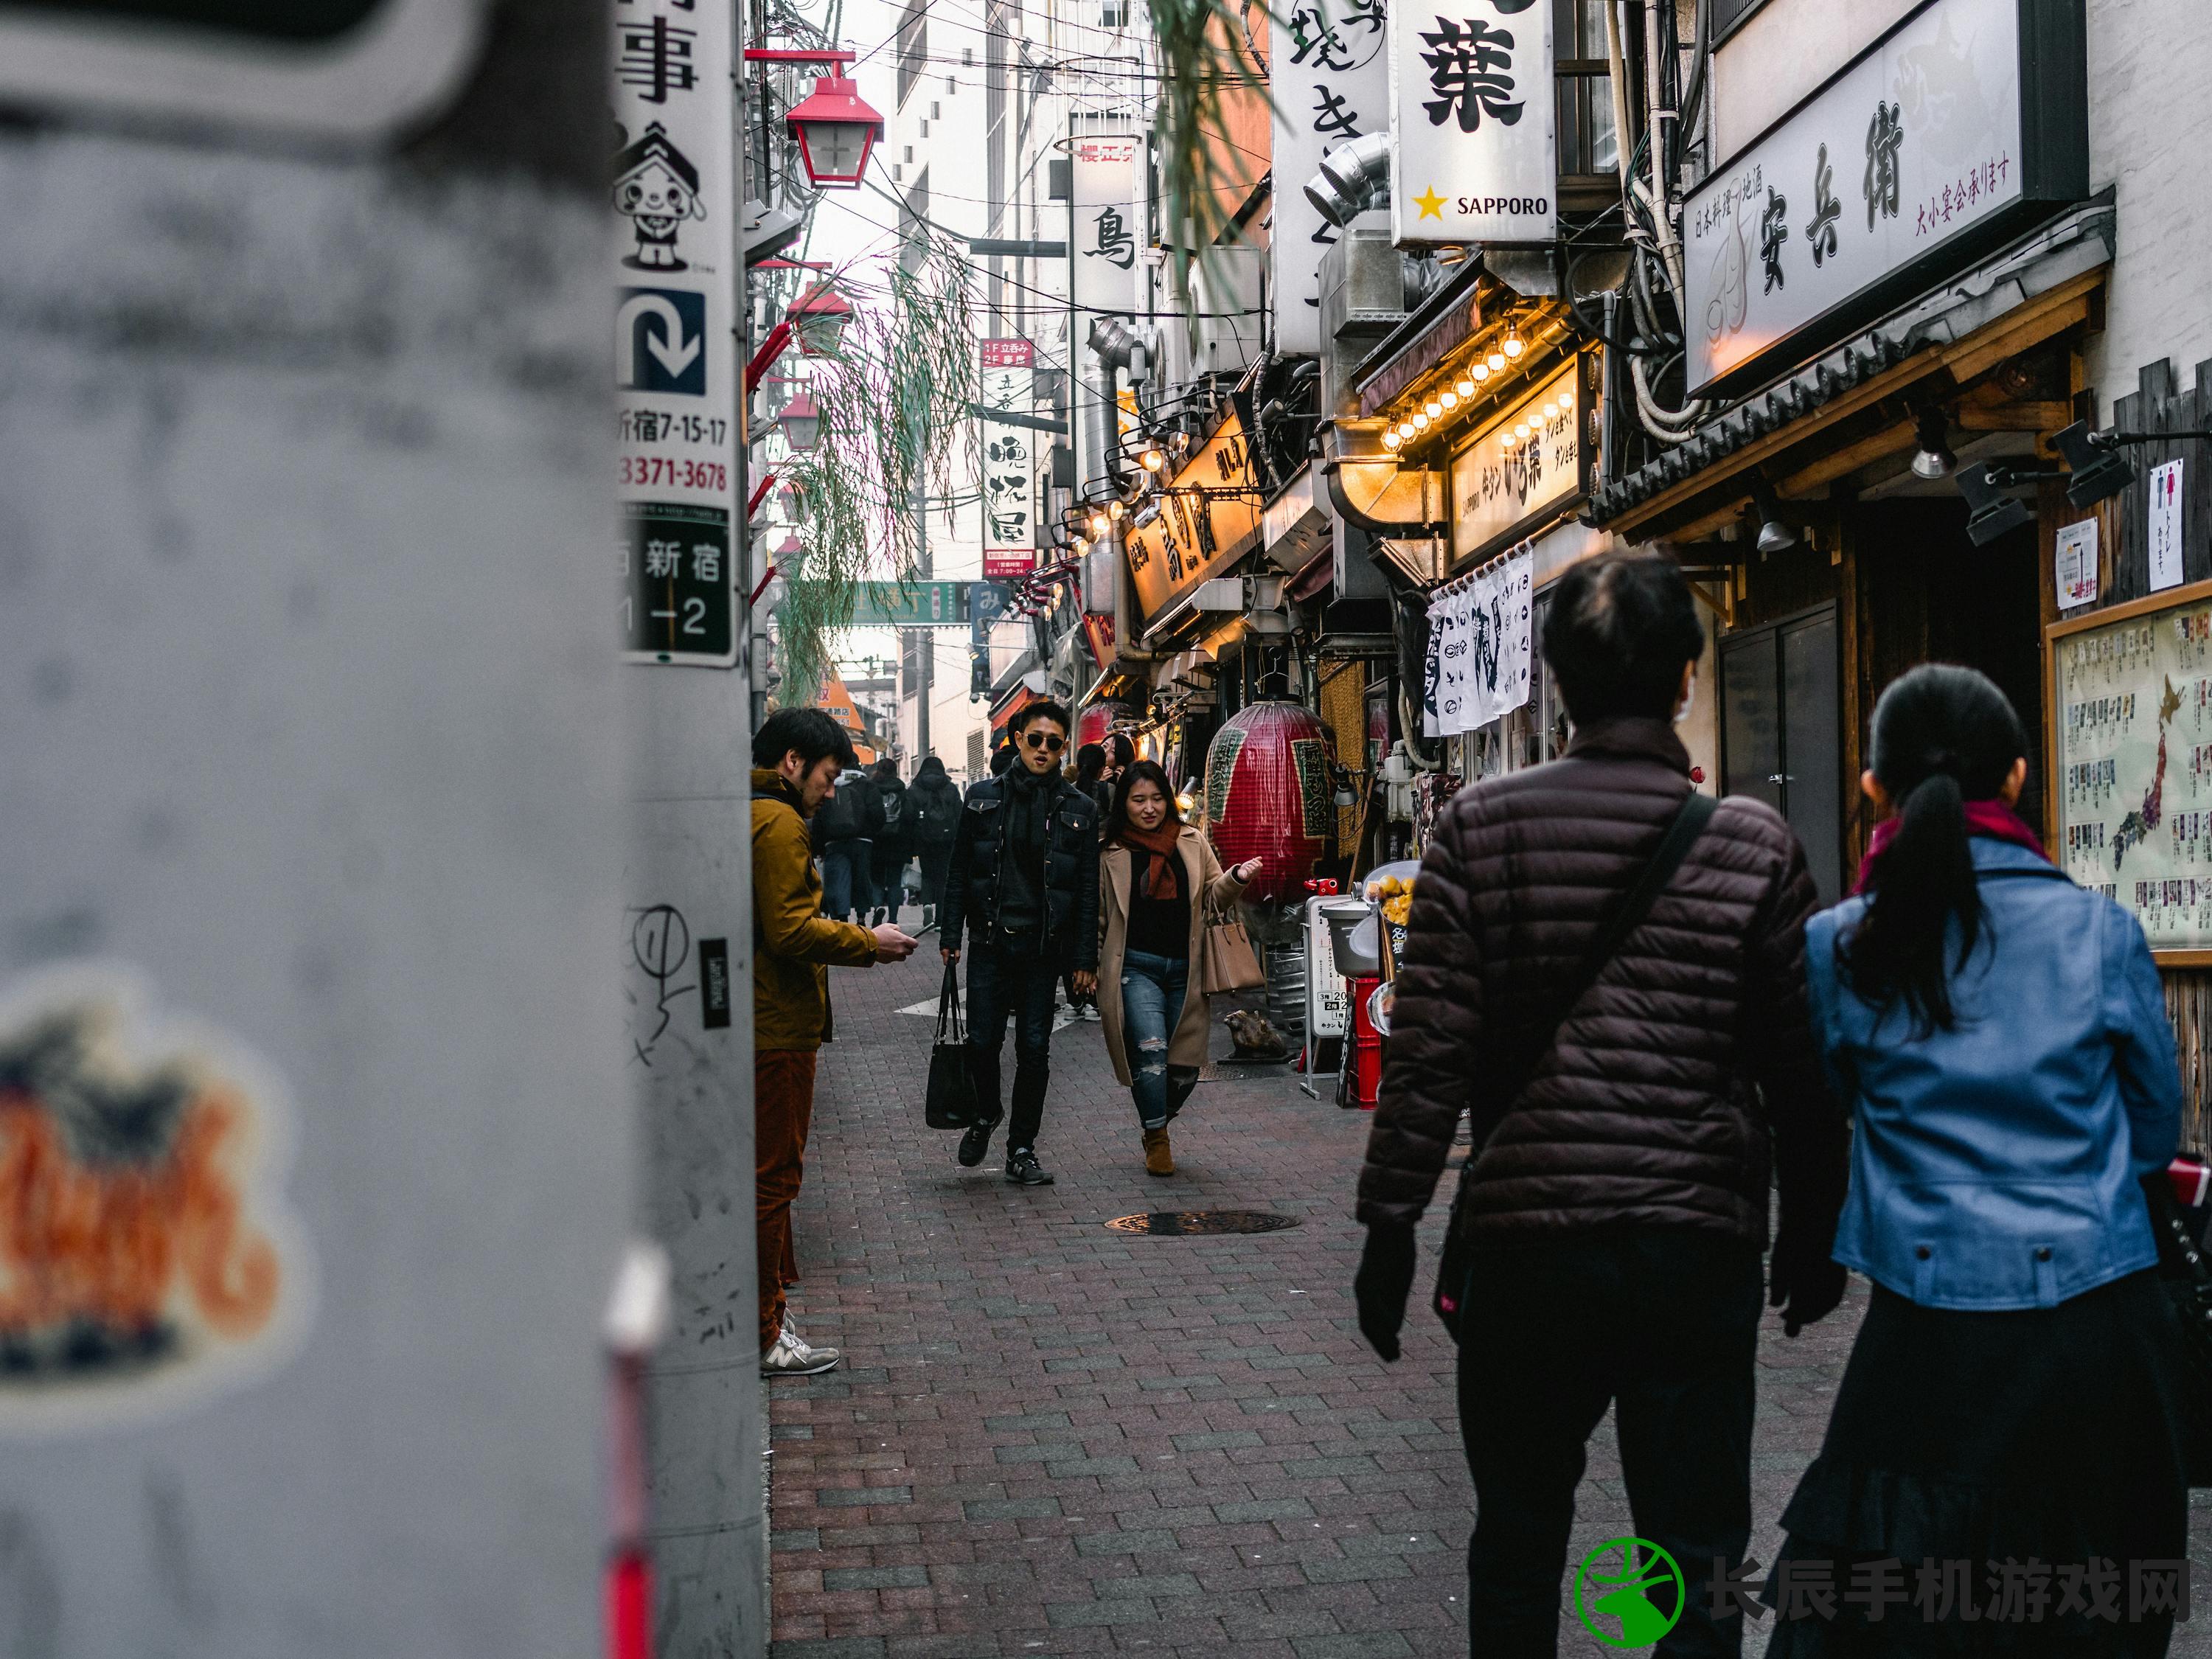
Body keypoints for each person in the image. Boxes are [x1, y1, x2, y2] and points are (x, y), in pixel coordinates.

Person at [1352, 552, 1850, 1657]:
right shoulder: (1751, 844)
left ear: (1556, 682)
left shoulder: (1475, 831)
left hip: (1529, 1248)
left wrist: (1389, 1228)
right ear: (1685, 677)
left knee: (1521, 1532)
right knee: (1698, 1547)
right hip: (1694, 1248)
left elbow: (1429, 1057)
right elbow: (1801, 1067)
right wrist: (1819, 1231)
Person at [1761, 664, 2185, 1657]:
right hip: (2094, 1320)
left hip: (1922, 1329)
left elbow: (1819, 1117)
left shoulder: (1842, 945)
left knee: (1895, 1605)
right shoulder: (2100, 931)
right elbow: (2155, 1132)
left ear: (1875, 788)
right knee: (2086, 1592)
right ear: (2022, 776)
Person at [751, 709, 917, 1377]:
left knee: (767, 1176)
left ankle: (765, 1312)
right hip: (776, 1026)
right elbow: (789, 929)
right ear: (793, 762)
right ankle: (763, 1329)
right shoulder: (779, 822)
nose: (830, 791)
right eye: (825, 776)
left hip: (766, 1018)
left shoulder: (757, 813)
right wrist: (867, 944)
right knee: (774, 1177)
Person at [939, 699, 1099, 1186]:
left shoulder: (1081, 809)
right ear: (1018, 740)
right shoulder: (981, 798)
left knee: (1034, 1049)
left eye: (1055, 742)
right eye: (1036, 740)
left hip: (1043, 949)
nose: (1044, 750)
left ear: (1064, 746)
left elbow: (1088, 890)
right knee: (983, 1043)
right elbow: (959, 870)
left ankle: (1022, 1149)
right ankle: (987, 1113)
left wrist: (1083, 959)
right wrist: (950, 933)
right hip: (989, 940)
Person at [1096, 759, 1259, 1175]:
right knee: (1150, 1051)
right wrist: (1090, 968)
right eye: (1138, 800)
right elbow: (1097, 917)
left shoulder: (1192, 840)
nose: (1149, 808)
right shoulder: (1110, 851)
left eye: (1156, 799)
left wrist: (1237, 877)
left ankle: (1157, 1115)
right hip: (1136, 968)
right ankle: (1156, 1137)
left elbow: (1212, 898)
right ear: (1124, 804)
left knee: (1185, 1068)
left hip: (1188, 971)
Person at [810, 759, 883, 922]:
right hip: (862, 841)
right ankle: (861, 918)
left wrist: (819, 846)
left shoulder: (830, 784)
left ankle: (843, 918)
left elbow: (819, 816)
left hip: (834, 842)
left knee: (839, 880)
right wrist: (869, 832)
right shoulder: (866, 785)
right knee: (861, 879)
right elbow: (878, 815)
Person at [906, 754, 963, 932]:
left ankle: (926, 905)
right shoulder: (950, 788)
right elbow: (960, 814)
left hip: (923, 840)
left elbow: (909, 815)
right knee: (943, 878)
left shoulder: (916, 788)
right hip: (947, 841)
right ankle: (940, 921)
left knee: (927, 875)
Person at [868, 757, 911, 926]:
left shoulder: (872, 789)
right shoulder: (902, 790)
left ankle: (878, 908)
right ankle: (893, 918)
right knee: (895, 881)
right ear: (895, 771)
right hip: (898, 841)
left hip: (876, 840)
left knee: (877, 880)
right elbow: (909, 814)